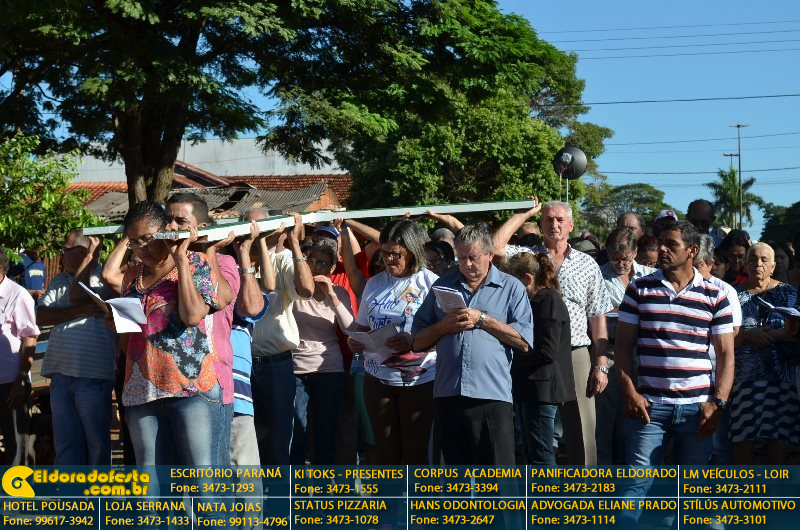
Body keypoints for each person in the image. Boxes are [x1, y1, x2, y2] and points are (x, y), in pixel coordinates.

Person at [615, 221, 735, 529]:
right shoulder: (639, 289)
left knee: (691, 492)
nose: (662, 249)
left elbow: (726, 355)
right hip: (649, 409)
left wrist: (718, 404)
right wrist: (630, 392)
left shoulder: (715, 295)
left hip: (697, 410)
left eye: (671, 244)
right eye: (661, 243)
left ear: (692, 250)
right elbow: (623, 345)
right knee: (635, 485)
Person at [494, 199, 613, 466]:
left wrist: (601, 363)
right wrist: (523, 213)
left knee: (582, 430)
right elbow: (496, 246)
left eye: (560, 220)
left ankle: (584, 490)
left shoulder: (587, 264)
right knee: (537, 434)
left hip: (575, 352)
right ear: (540, 225)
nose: (554, 225)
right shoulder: (528, 257)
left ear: (571, 225)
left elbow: (597, 315)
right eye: (548, 219)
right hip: (535, 353)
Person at [413, 223, 533, 464]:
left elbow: (524, 342)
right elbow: (416, 342)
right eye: (461, 258)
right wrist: (442, 327)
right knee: (454, 478)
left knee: (497, 478)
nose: (467, 264)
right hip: (449, 394)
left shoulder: (511, 287)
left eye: (473, 257)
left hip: (491, 395)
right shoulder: (442, 285)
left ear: (490, 254)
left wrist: (483, 320)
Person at [350, 219, 438, 464]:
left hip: (420, 379)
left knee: (415, 453)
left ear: (412, 252)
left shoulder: (430, 283)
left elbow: (445, 332)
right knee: (384, 452)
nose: (389, 259)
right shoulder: (374, 283)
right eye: (385, 253)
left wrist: (414, 341)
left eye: (396, 254)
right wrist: (356, 341)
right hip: (377, 377)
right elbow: (362, 326)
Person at [164, 192, 240, 464]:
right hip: (170, 382)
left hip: (212, 381)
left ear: (201, 228)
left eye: (180, 221)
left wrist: (207, 251)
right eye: (167, 220)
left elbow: (220, 299)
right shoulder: (162, 265)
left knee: (211, 474)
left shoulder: (224, 262)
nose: (171, 227)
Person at [36, 232, 117, 465]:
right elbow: (41, 316)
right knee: (65, 443)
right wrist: (77, 312)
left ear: (82, 251)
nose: (62, 255)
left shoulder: (106, 278)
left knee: (97, 444)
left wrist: (65, 312)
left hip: (94, 374)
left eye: (65, 250)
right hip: (61, 374)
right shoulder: (59, 280)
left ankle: (98, 489)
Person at [249, 212, 314, 465]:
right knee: (247, 446)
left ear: (278, 231)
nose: (257, 231)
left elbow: (306, 290)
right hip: (243, 366)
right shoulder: (237, 258)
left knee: (278, 444)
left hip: (276, 364)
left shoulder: (284, 258)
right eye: (251, 225)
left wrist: (295, 243)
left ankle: (280, 492)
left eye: (263, 226)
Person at [731, 242, 799, 464]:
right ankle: (745, 486)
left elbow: (797, 330)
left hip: (782, 378)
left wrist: (777, 335)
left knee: (778, 435)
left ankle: (773, 486)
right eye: (752, 259)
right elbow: (721, 333)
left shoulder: (789, 293)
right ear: (745, 265)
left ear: (773, 266)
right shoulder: (733, 293)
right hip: (744, 378)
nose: (758, 264)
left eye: (763, 260)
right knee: (743, 434)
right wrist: (748, 335)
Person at [503, 252, 573, 466]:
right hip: (528, 387)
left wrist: (510, 361)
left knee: (541, 454)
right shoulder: (534, 301)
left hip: (542, 389)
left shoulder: (548, 301)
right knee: (530, 452)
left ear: (527, 279)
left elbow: (547, 351)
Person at [290, 238, 354, 465]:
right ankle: (295, 484)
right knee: (298, 431)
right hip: (297, 366)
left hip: (329, 367)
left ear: (332, 268)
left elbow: (350, 329)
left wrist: (332, 295)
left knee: (326, 431)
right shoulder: (294, 288)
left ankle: (323, 483)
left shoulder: (339, 292)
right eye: (313, 261)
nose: (317, 267)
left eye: (324, 263)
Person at [597, 228, 655, 465]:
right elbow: (595, 312)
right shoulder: (598, 275)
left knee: (637, 418)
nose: (620, 264)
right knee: (605, 421)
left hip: (644, 354)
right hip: (609, 352)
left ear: (635, 253)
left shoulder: (651, 276)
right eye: (615, 259)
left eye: (626, 259)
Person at [693, 235, 742, 465]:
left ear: (711, 263)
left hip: (715, 373)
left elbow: (734, 332)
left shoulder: (724, 291)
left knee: (718, 441)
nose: (693, 270)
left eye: (698, 265)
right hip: (685, 377)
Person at [0, 246, 39, 465]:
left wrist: (21, 379)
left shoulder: (18, 295)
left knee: (16, 446)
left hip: (10, 383)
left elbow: (29, 338)